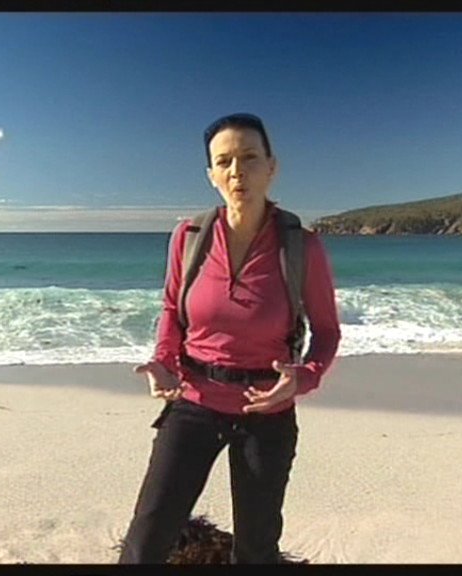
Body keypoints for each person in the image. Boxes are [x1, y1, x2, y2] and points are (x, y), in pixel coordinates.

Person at [118, 113, 342, 564]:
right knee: (146, 541)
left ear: (271, 167)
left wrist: (303, 378)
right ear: (211, 175)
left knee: (257, 551)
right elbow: (172, 310)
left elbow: (327, 331)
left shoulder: (302, 245)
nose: (237, 171)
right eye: (224, 161)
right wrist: (164, 361)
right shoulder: (188, 237)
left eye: (249, 158)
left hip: (267, 411)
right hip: (194, 402)